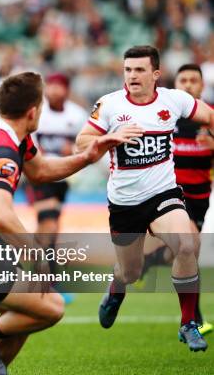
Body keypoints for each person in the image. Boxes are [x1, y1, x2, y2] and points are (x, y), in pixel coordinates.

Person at [0, 72, 130, 375]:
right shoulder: (4, 154)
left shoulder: (4, 131)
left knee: (29, 313)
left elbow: (40, 172)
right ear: (33, 111)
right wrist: (37, 254)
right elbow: (0, 212)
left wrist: (87, 156)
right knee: (50, 307)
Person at [75, 46, 213, 352]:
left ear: (155, 74)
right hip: (124, 204)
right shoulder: (109, 105)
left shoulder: (173, 100)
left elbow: (209, 116)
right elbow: (81, 143)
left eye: (139, 70)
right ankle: (115, 291)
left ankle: (189, 323)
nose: (132, 76)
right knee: (130, 272)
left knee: (187, 243)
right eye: (128, 70)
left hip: (163, 193)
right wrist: (108, 139)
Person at [137, 63, 214, 336]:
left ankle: (147, 261)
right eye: (184, 80)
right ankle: (194, 319)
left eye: (195, 80)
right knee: (190, 248)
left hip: (200, 197)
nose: (189, 85)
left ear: (202, 86)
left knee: (177, 253)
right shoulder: (164, 117)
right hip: (171, 195)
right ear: (176, 85)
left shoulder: (210, 119)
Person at [25, 73, 88, 303]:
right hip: (39, 174)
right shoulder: (36, 112)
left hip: (62, 177)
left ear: (66, 89)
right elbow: (26, 141)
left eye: (58, 86)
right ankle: (47, 282)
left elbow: (84, 146)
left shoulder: (77, 115)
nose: (53, 91)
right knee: (49, 223)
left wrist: (71, 151)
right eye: (49, 86)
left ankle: (39, 279)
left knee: (49, 228)